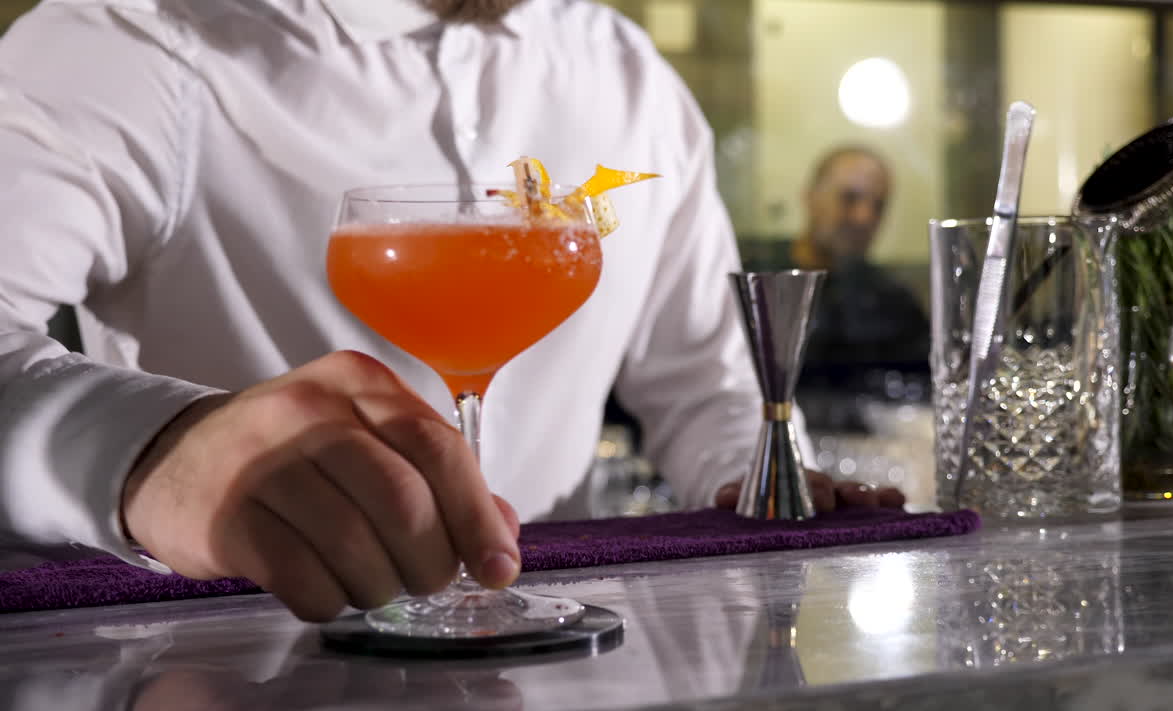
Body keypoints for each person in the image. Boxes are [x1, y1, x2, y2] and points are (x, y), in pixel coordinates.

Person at [0, 0, 901, 622]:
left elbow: (703, 383)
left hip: (570, 659)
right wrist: (151, 451)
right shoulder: (138, 39)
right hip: (241, 660)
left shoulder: (624, 72)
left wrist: (768, 479)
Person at [789, 145, 930, 421]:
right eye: (849, 198)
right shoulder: (763, 286)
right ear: (810, 198)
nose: (864, 217)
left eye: (878, 205)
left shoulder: (894, 301)